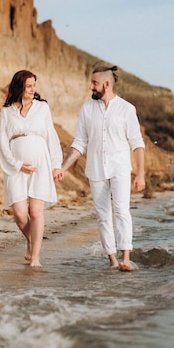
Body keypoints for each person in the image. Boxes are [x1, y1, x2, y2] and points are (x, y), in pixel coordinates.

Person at [55, 65, 145, 271]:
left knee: (122, 211)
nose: (90, 87)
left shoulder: (126, 109)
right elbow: (79, 143)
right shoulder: (87, 109)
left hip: (120, 168)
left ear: (106, 84)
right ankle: (112, 261)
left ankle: (126, 258)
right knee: (102, 215)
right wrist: (64, 167)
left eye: (94, 83)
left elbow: (137, 143)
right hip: (96, 169)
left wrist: (140, 174)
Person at [0, 70, 63, 268]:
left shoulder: (42, 108)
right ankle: (31, 241)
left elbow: (51, 135)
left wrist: (56, 164)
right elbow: (2, 142)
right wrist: (17, 164)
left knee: (35, 212)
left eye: (34, 85)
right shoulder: (7, 111)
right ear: (19, 87)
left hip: (40, 164)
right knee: (19, 213)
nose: (34, 89)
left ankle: (35, 257)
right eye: (29, 86)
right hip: (16, 166)